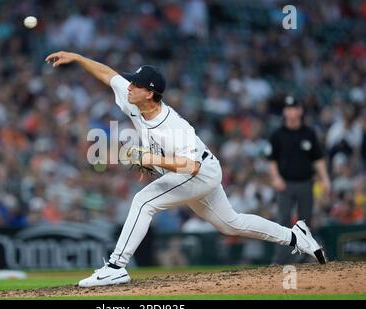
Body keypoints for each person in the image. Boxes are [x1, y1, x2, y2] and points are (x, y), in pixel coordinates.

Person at [45, 52, 327, 287]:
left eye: (136, 84)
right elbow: (108, 75)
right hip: (197, 170)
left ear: (150, 92)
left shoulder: (173, 127)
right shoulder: (134, 99)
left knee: (144, 201)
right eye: (131, 82)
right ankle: (296, 236)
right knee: (230, 224)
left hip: (199, 171)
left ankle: (116, 265)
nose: (129, 86)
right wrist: (77, 58)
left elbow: (190, 166)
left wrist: (151, 159)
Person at [267, 95, 331, 264]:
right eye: (288, 109)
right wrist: (276, 178)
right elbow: (272, 160)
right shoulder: (278, 134)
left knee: (305, 222)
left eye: (294, 108)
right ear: (284, 111)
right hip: (285, 184)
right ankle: (282, 259)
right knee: (283, 222)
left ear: (300, 110)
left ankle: (303, 258)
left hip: (305, 182)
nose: (290, 112)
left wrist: (325, 179)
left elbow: (317, 158)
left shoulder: (309, 133)